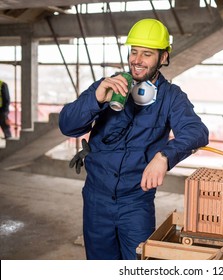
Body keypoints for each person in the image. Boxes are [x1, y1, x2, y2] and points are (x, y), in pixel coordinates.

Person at [59, 18, 209, 260]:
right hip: (97, 200)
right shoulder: (108, 86)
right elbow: (67, 126)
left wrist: (164, 157)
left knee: (140, 263)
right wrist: (96, 99)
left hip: (136, 202)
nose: (137, 60)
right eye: (134, 52)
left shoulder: (171, 97)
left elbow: (197, 131)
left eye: (147, 54)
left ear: (163, 57)